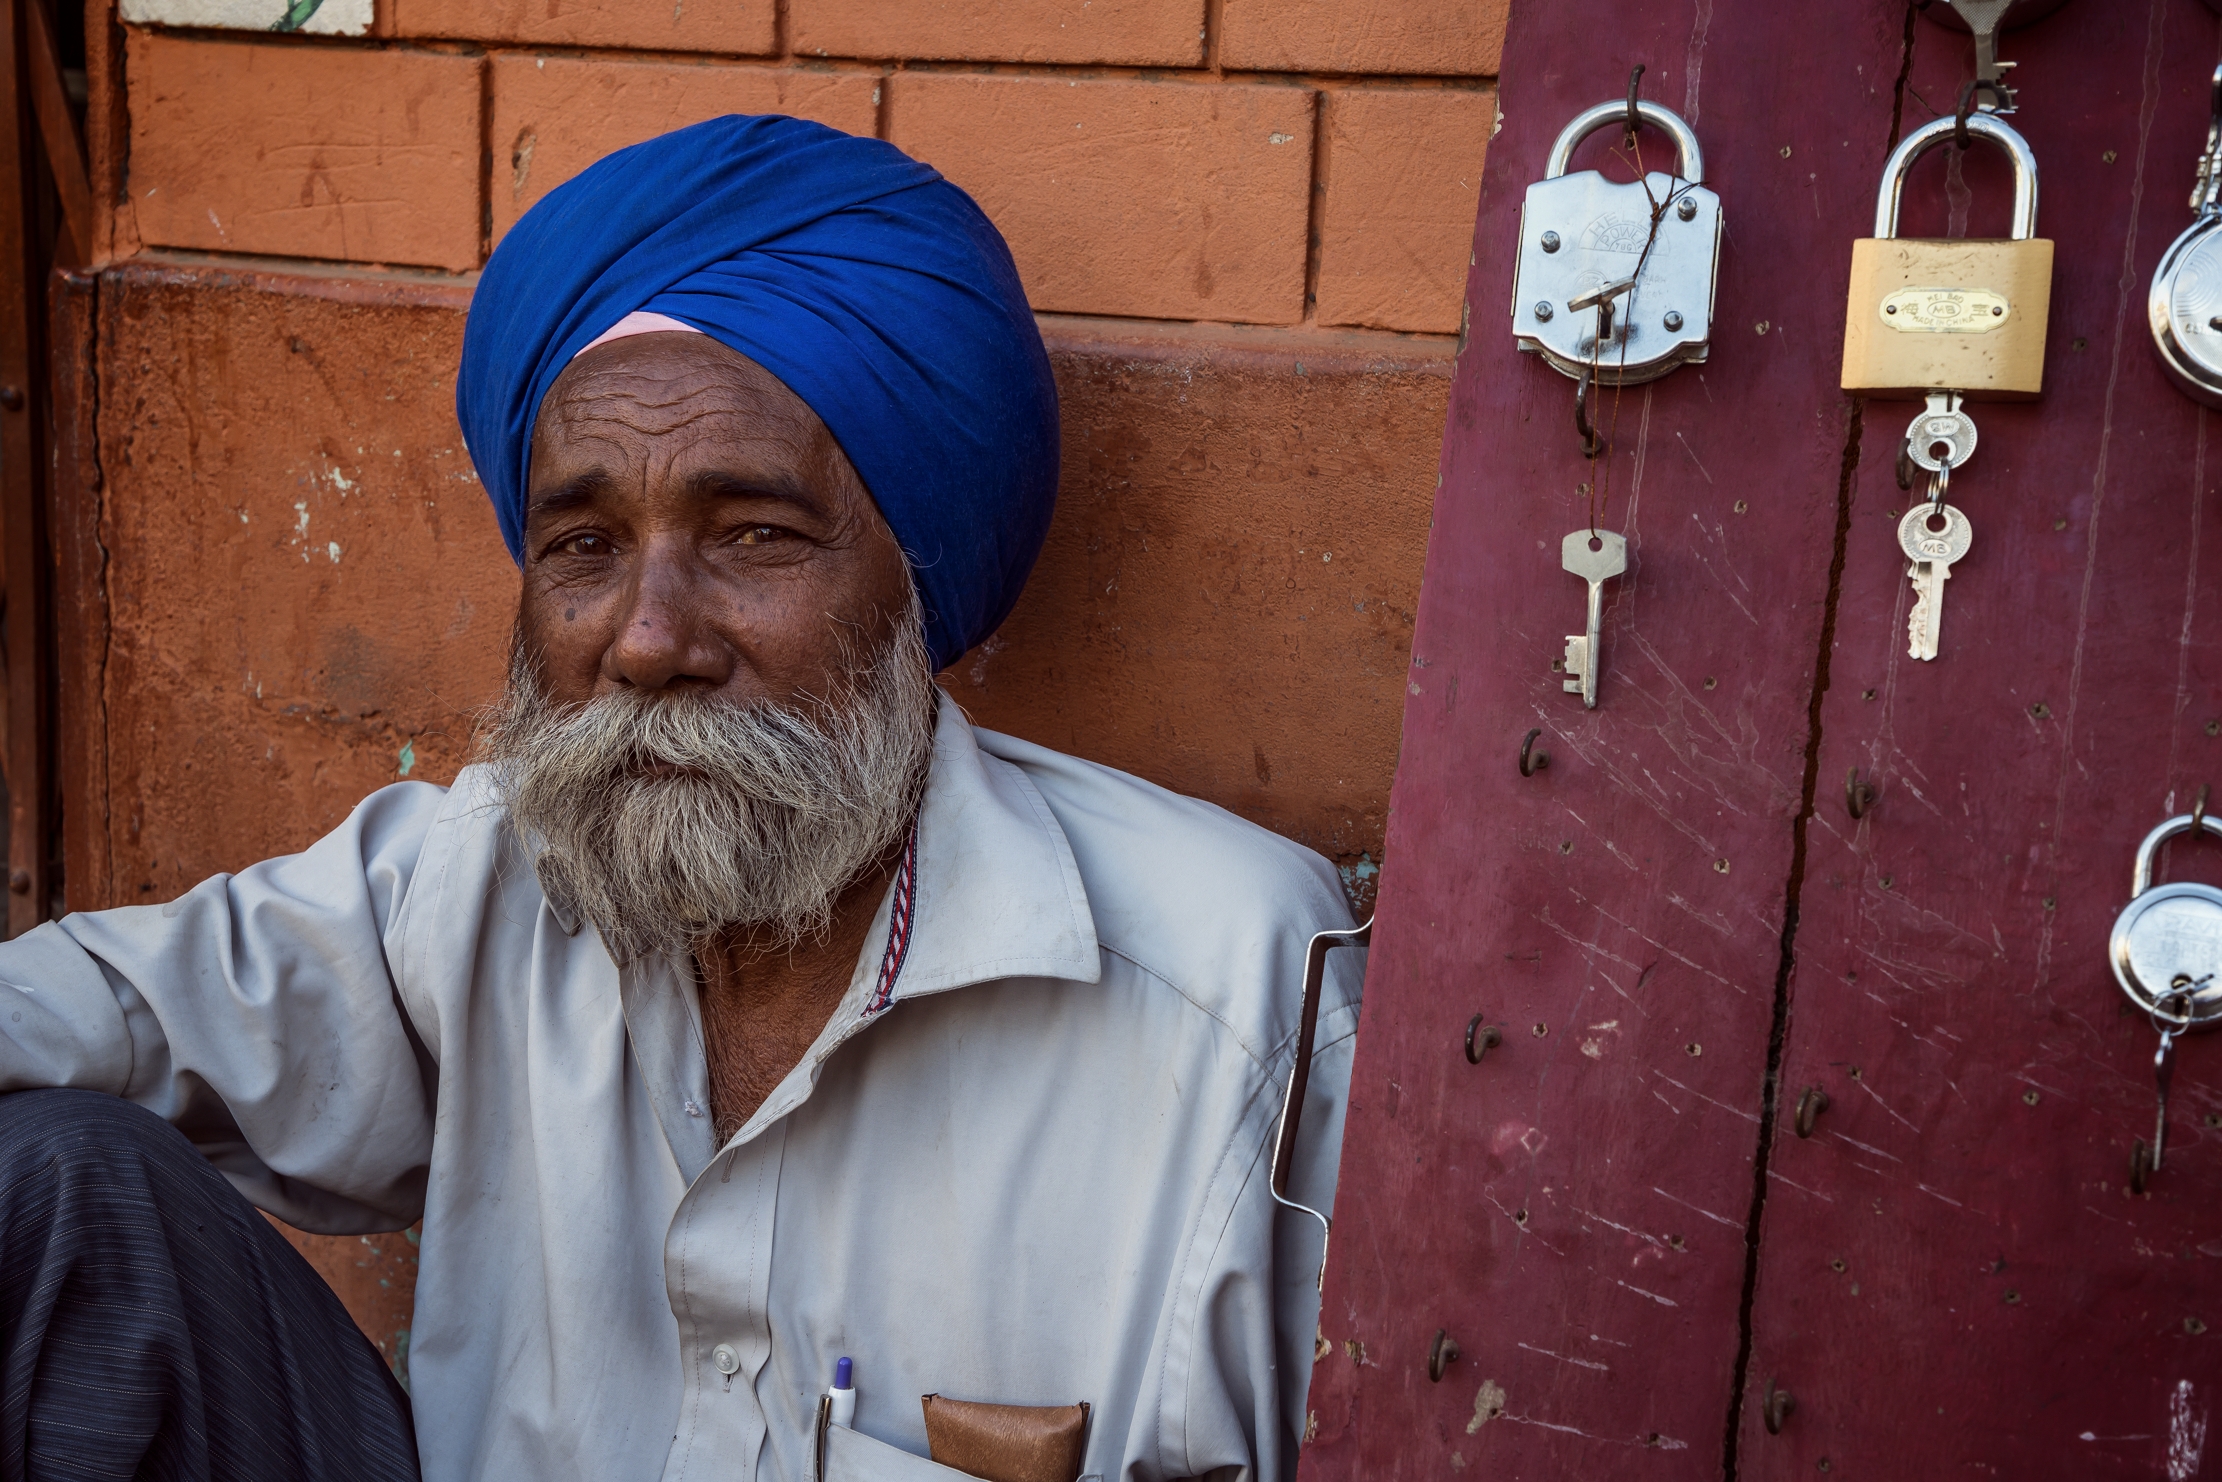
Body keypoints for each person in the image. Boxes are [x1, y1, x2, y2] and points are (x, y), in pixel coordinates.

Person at [0, 115, 1362, 1482]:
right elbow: (91, 1008)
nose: (648, 639)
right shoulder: (486, 873)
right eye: (584, 546)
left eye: (753, 534)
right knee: (54, 1187)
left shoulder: (1232, 984)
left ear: (913, 578)